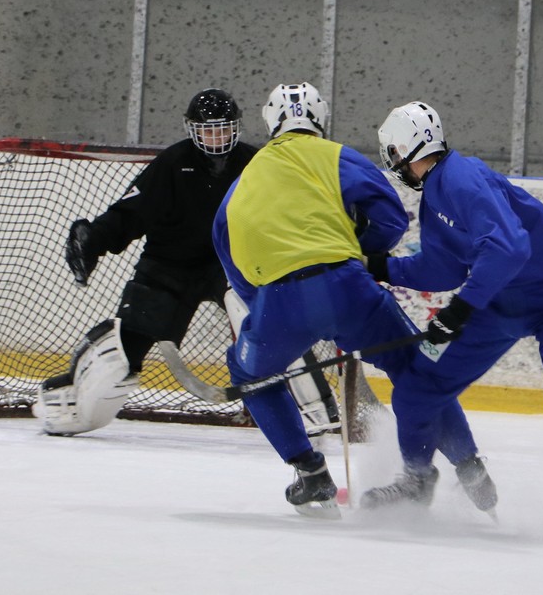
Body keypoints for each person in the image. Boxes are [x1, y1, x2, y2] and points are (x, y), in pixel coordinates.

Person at [362, 100, 543, 536]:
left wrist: (460, 309)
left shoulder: (461, 179)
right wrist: (380, 267)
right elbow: (443, 269)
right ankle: (417, 479)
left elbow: (510, 249)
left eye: (391, 155)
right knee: (417, 387)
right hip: (496, 306)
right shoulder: (437, 198)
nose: (393, 166)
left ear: (404, 148)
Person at [211, 82, 494, 519]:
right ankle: (470, 466)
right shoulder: (335, 156)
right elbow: (391, 219)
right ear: (321, 120)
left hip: (281, 302)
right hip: (349, 286)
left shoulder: (242, 182)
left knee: (250, 375)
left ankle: (310, 474)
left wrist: (269, 310)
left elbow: (230, 253)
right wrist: (355, 253)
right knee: (415, 367)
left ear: (270, 124)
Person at [35, 89, 338, 436]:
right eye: (208, 130)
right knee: (125, 347)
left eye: (222, 129)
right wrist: (95, 238)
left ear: (235, 128)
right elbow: (132, 211)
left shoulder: (256, 163)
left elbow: (284, 213)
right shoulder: (172, 163)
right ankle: (73, 401)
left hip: (231, 265)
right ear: (193, 130)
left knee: (270, 321)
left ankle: (319, 412)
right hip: (168, 266)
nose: (216, 138)